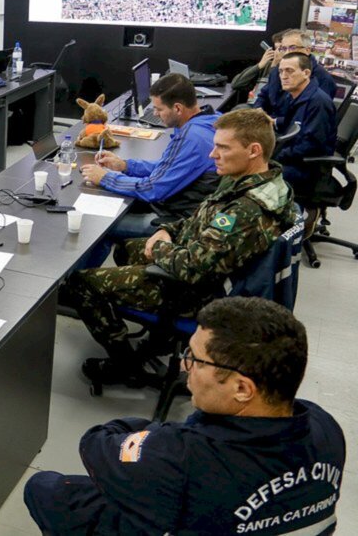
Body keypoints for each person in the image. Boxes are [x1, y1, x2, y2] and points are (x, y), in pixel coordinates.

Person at [24, 297, 346, 536]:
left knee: (45, 488)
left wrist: (153, 431)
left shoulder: (180, 457)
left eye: (196, 359)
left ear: (243, 388)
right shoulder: (327, 430)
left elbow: (96, 444)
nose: (183, 366)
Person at [60, 109, 295, 386]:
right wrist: (167, 230)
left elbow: (193, 268)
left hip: (199, 292)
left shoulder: (245, 210)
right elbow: (200, 219)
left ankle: (125, 364)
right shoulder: (252, 181)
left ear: (254, 150)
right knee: (125, 249)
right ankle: (162, 336)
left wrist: (159, 248)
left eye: (221, 147)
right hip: (202, 265)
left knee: (80, 283)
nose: (212, 154)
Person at [79, 73, 220, 267]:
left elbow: (152, 189)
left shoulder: (192, 138)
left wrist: (105, 178)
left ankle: (77, 285)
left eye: (158, 109)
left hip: (176, 220)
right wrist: (125, 166)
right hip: (181, 205)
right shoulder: (208, 121)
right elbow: (168, 168)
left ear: (177, 108)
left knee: (102, 224)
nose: (155, 113)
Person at [266, 53, 336, 197]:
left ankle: (291, 216)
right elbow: (294, 123)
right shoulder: (296, 94)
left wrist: (272, 155)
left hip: (306, 168)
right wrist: (274, 122)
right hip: (294, 158)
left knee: (253, 176)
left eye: (289, 71)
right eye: (281, 71)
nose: (283, 76)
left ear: (306, 73)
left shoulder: (318, 102)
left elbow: (311, 146)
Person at [254, 29, 338, 119]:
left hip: (293, 127)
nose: (287, 53)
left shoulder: (323, 78)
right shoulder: (277, 70)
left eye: (292, 48)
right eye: (283, 48)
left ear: (308, 50)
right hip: (269, 121)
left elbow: (313, 115)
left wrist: (274, 122)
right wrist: (257, 112)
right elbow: (264, 95)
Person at [230, 29, 287, 96]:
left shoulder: (289, 70)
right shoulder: (267, 65)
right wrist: (259, 66)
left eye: (281, 49)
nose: (277, 52)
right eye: (276, 48)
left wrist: (274, 66)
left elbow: (271, 94)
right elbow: (236, 84)